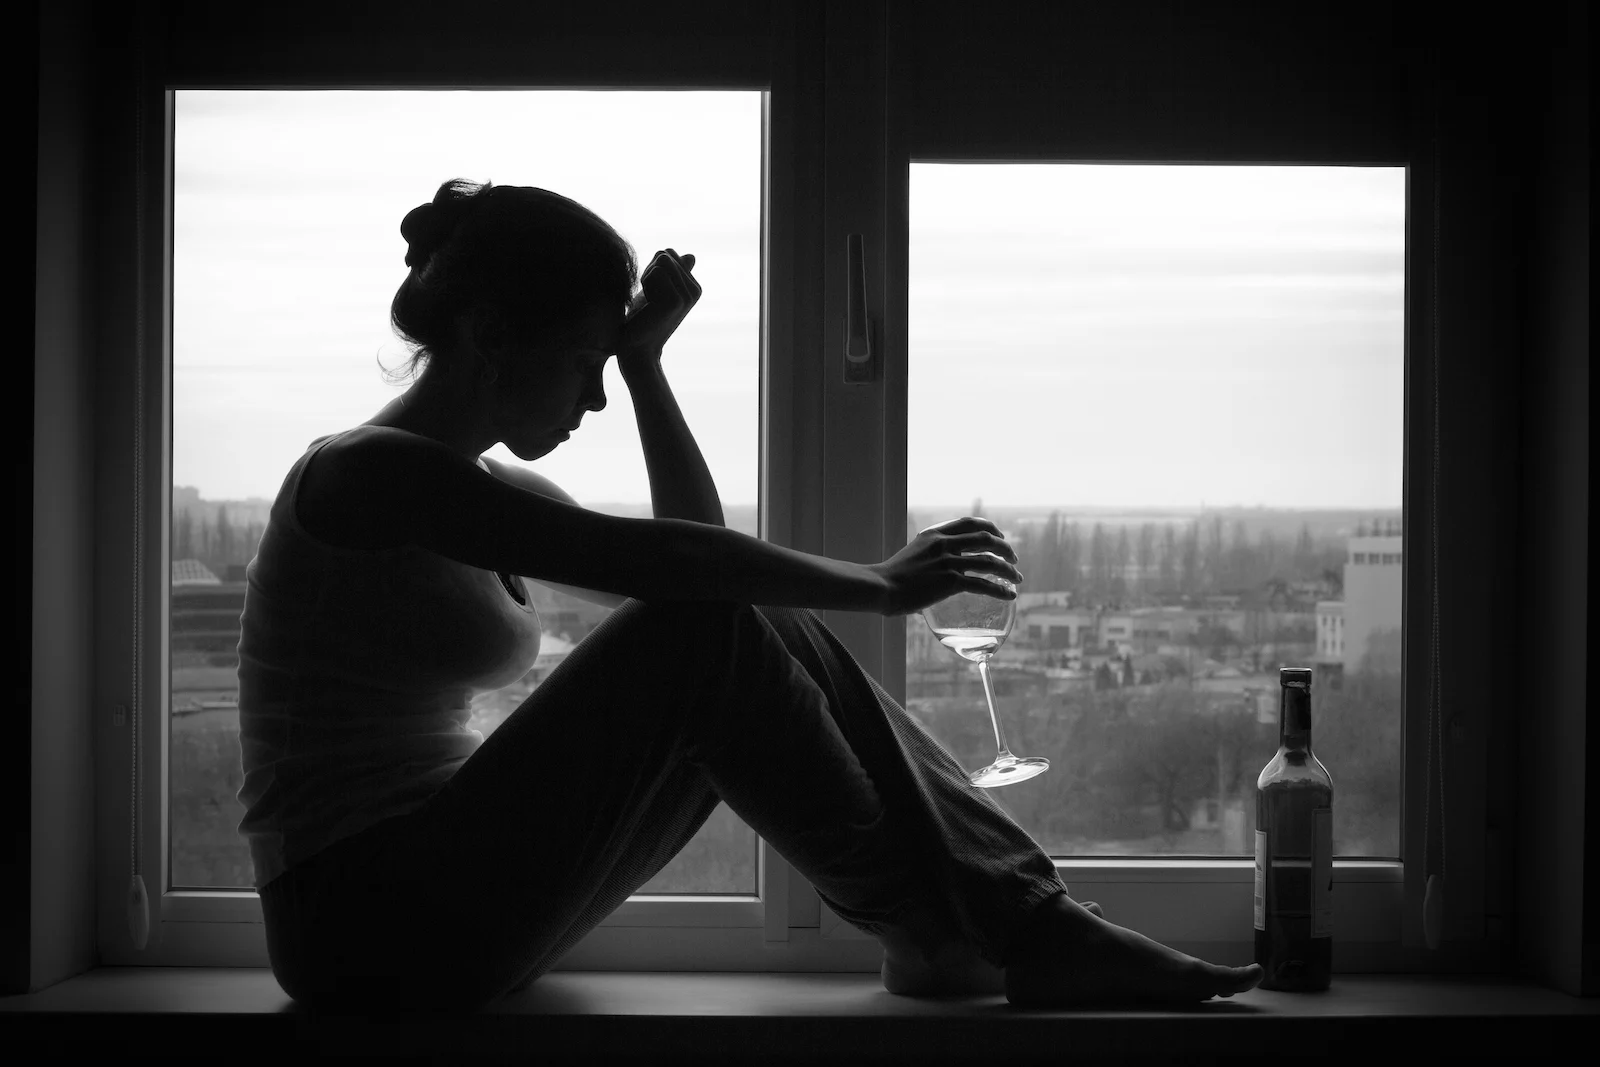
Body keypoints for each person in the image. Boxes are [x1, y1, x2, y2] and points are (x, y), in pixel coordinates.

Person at [237, 178, 1262, 1014]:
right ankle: (966, 929)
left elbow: (697, 559)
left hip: (452, 901)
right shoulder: (364, 472)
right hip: (357, 925)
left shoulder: (488, 490)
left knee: (732, 616)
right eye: (589, 363)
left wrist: (644, 365)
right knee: (704, 631)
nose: (594, 398)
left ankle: (981, 926)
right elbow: (672, 570)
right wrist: (879, 584)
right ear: (495, 332)